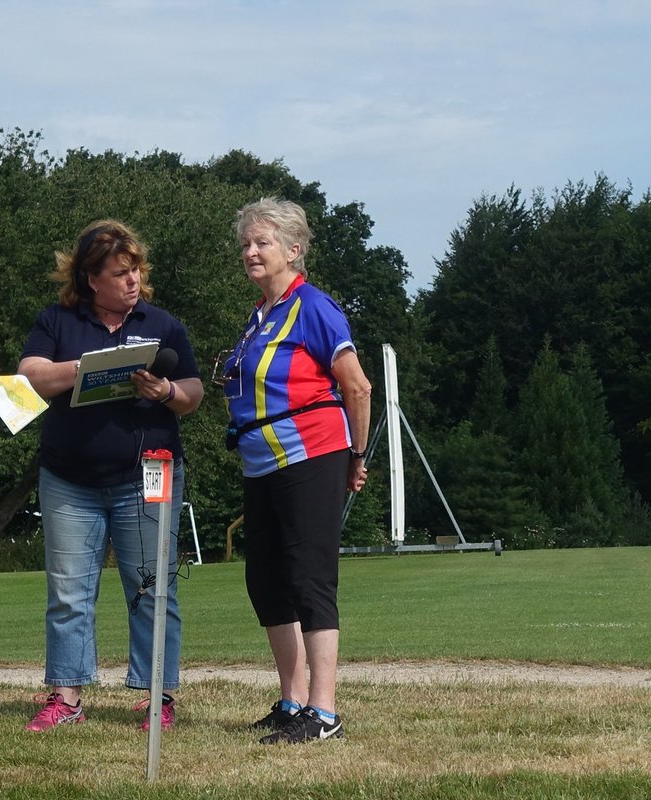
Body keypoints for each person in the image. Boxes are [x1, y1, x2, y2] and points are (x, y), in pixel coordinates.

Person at [16, 220, 204, 732]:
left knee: (152, 587)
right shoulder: (58, 320)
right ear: (90, 278)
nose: (132, 281)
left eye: (136, 270)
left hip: (150, 474)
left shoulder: (162, 323)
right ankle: (66, 697)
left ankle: (158, 699)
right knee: (69, 591)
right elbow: (30, 375)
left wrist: (165, 393)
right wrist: (93, 367)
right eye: (120, 273)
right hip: (70, 479)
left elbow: (193, 392)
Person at [218, 197, 371, 745]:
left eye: (262, 242)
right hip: (262, 465)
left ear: (293, 248)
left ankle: (324, 711)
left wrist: (357, 456)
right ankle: (292, 700)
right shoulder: (260, 316)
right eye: (246, 244)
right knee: (265, 582)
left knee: (309, 578)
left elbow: (356, 386)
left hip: (311, 455)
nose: (251, 252)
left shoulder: (314, 306)